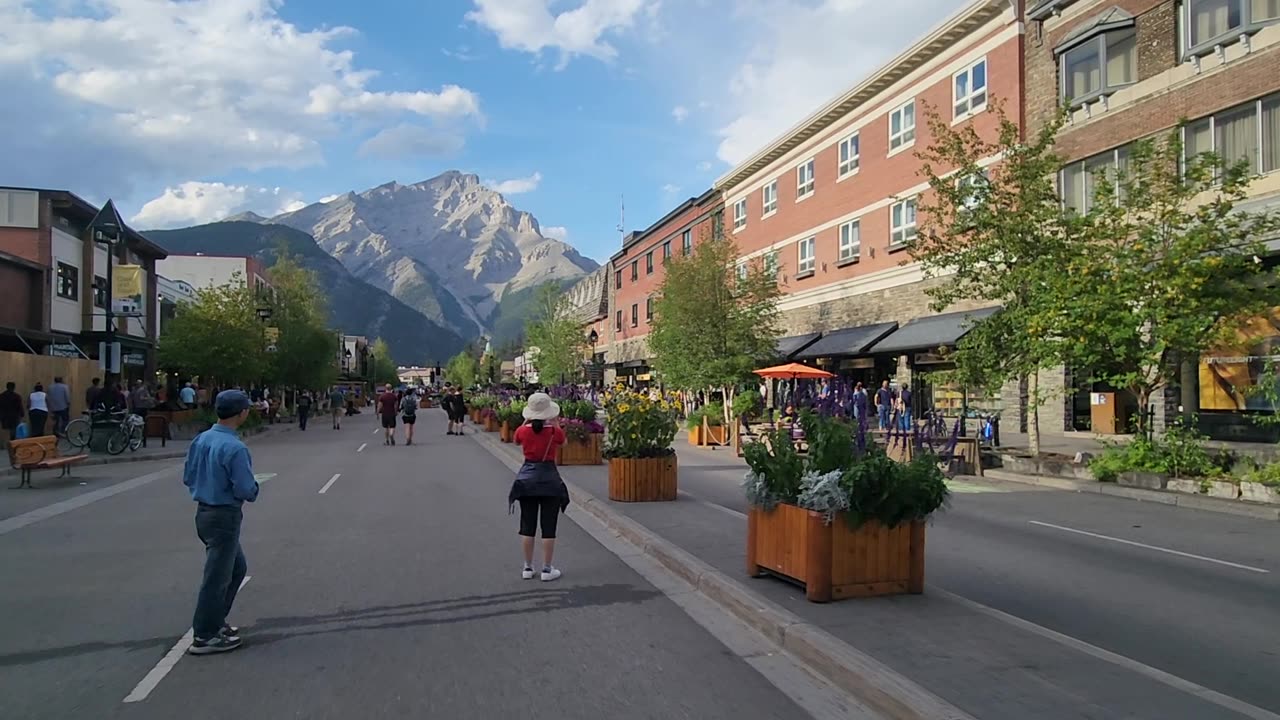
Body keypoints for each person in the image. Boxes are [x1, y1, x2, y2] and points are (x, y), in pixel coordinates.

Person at [183, 389, 260, 655]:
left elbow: (188, 476)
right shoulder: (235, 447)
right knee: (217, 577)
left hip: (203, 512)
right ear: (242, 413)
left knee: (236, 569)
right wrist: (253, 489)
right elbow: (245, 488)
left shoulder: (202, 439)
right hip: (224, 514)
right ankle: (205, 635)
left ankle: (216, 622)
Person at [508, 393, 569, 582]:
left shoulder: (523, 431)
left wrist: (525, 421)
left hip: (527, 480)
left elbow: (516, 440)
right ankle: (547, 569)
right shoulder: (553, 432)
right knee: (548, 527)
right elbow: (564, 443)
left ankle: (527, 567)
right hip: (549, 479)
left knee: (527, 525)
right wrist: (556, 423)